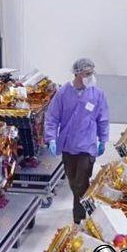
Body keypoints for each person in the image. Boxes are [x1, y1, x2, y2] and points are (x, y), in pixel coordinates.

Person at [44, 58, 110, 224]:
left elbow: (103, 118)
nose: (90, 76)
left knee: (81, 181)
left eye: (92, 73)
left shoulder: (97, 94)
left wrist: (103, 139)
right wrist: (51, 138)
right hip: (68, 144)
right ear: (77, 74)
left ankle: (79, 217)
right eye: (87, 73)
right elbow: (52, 117)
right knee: (73, 181)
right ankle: (86, 204)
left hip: (87, 145)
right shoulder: (63, 93)